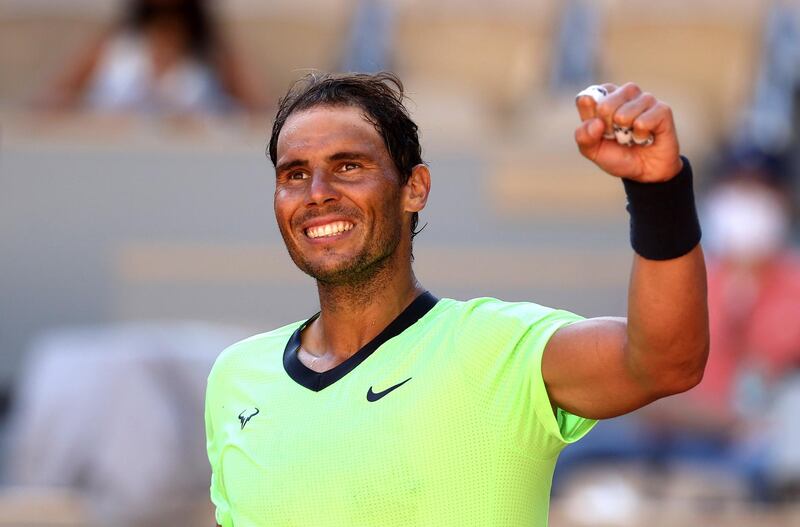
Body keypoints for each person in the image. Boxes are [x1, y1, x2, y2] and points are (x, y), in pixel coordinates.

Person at [204, 72, 709, 526]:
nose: (317, 192)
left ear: (414, 188)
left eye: (348, 166)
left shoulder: (494, 346)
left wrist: (659, 193)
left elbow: (667, 362)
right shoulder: (235, 376)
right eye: (294, 174)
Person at [40, 0, 265, 114]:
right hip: (112, 164)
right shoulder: (112, 45)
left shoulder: (212, 51)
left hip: (190, 169)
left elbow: (260, 109)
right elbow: (51, 100)